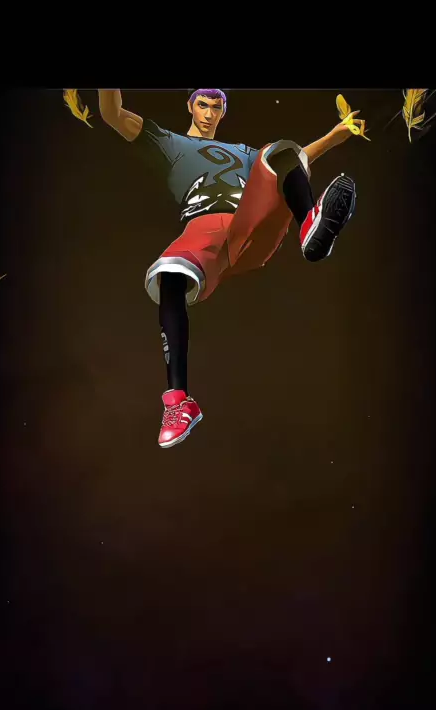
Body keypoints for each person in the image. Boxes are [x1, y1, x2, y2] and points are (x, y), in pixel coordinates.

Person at [98, 88, 360, 448]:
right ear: (190, 106)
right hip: (204, 230)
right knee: (170, 273)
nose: (209, 114)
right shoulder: (169, 142)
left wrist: (332, 137)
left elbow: (294, 159)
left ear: (224, 111)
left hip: (248, 222)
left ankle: (309, 225)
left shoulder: (245, 153)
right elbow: (113, 113)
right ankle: (179, 403)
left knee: (280, 149)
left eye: (216, 107)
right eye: (203, 105)